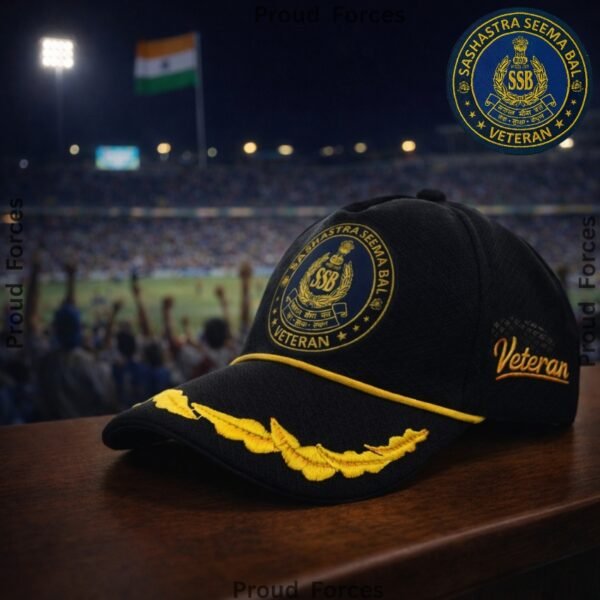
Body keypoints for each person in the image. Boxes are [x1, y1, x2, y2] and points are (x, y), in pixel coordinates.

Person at [36, 263, 115, 420]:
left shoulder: (44, 360)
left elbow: (31, 324)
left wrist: (35, 272)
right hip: (86, 426)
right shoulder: (91, 363)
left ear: (55, 329)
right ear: (79, 329)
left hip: (49, 427)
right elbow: (107, 400)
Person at [162, 261, 253, 379]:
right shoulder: (236, 353)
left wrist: (166, 311)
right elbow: (244, 322)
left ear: (205, 336)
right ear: (226, 336)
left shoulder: (198, 359)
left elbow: (173, 344)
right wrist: (245, 284)